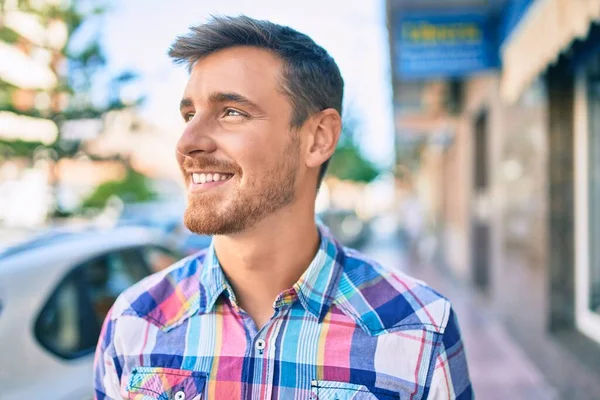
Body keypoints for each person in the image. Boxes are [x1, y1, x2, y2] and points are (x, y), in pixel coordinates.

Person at [93, 15, 472, 399]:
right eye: (189, 115)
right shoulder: (133, 323)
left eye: (231, 112)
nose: (187, 141)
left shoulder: (419, 328)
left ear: (318, 139)